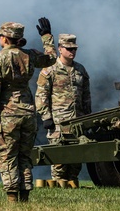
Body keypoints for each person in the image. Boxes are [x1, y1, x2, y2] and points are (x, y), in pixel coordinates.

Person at [0, 18, 57, 203]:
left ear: (6, 38)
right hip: (28, 112)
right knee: (24, 157)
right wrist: (47, 37)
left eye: (0, 36)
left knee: (7, 157)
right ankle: (25, 197)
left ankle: (12, 198)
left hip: (7, 114)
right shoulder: (30, 55)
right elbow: (51, 58)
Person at [36, 33, 91, 188]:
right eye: (68, 48)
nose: (72, 51)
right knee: (59, 162)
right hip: (58, 125)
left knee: (75, 162)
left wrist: (87, 118)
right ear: (60, 49)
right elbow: (41, 95)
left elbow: (86, 96)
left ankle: (72, 191)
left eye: (74, 49)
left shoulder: (80, 70)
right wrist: (46, 117)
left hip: (77, 124)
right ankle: (60, 193)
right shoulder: (50, 70)